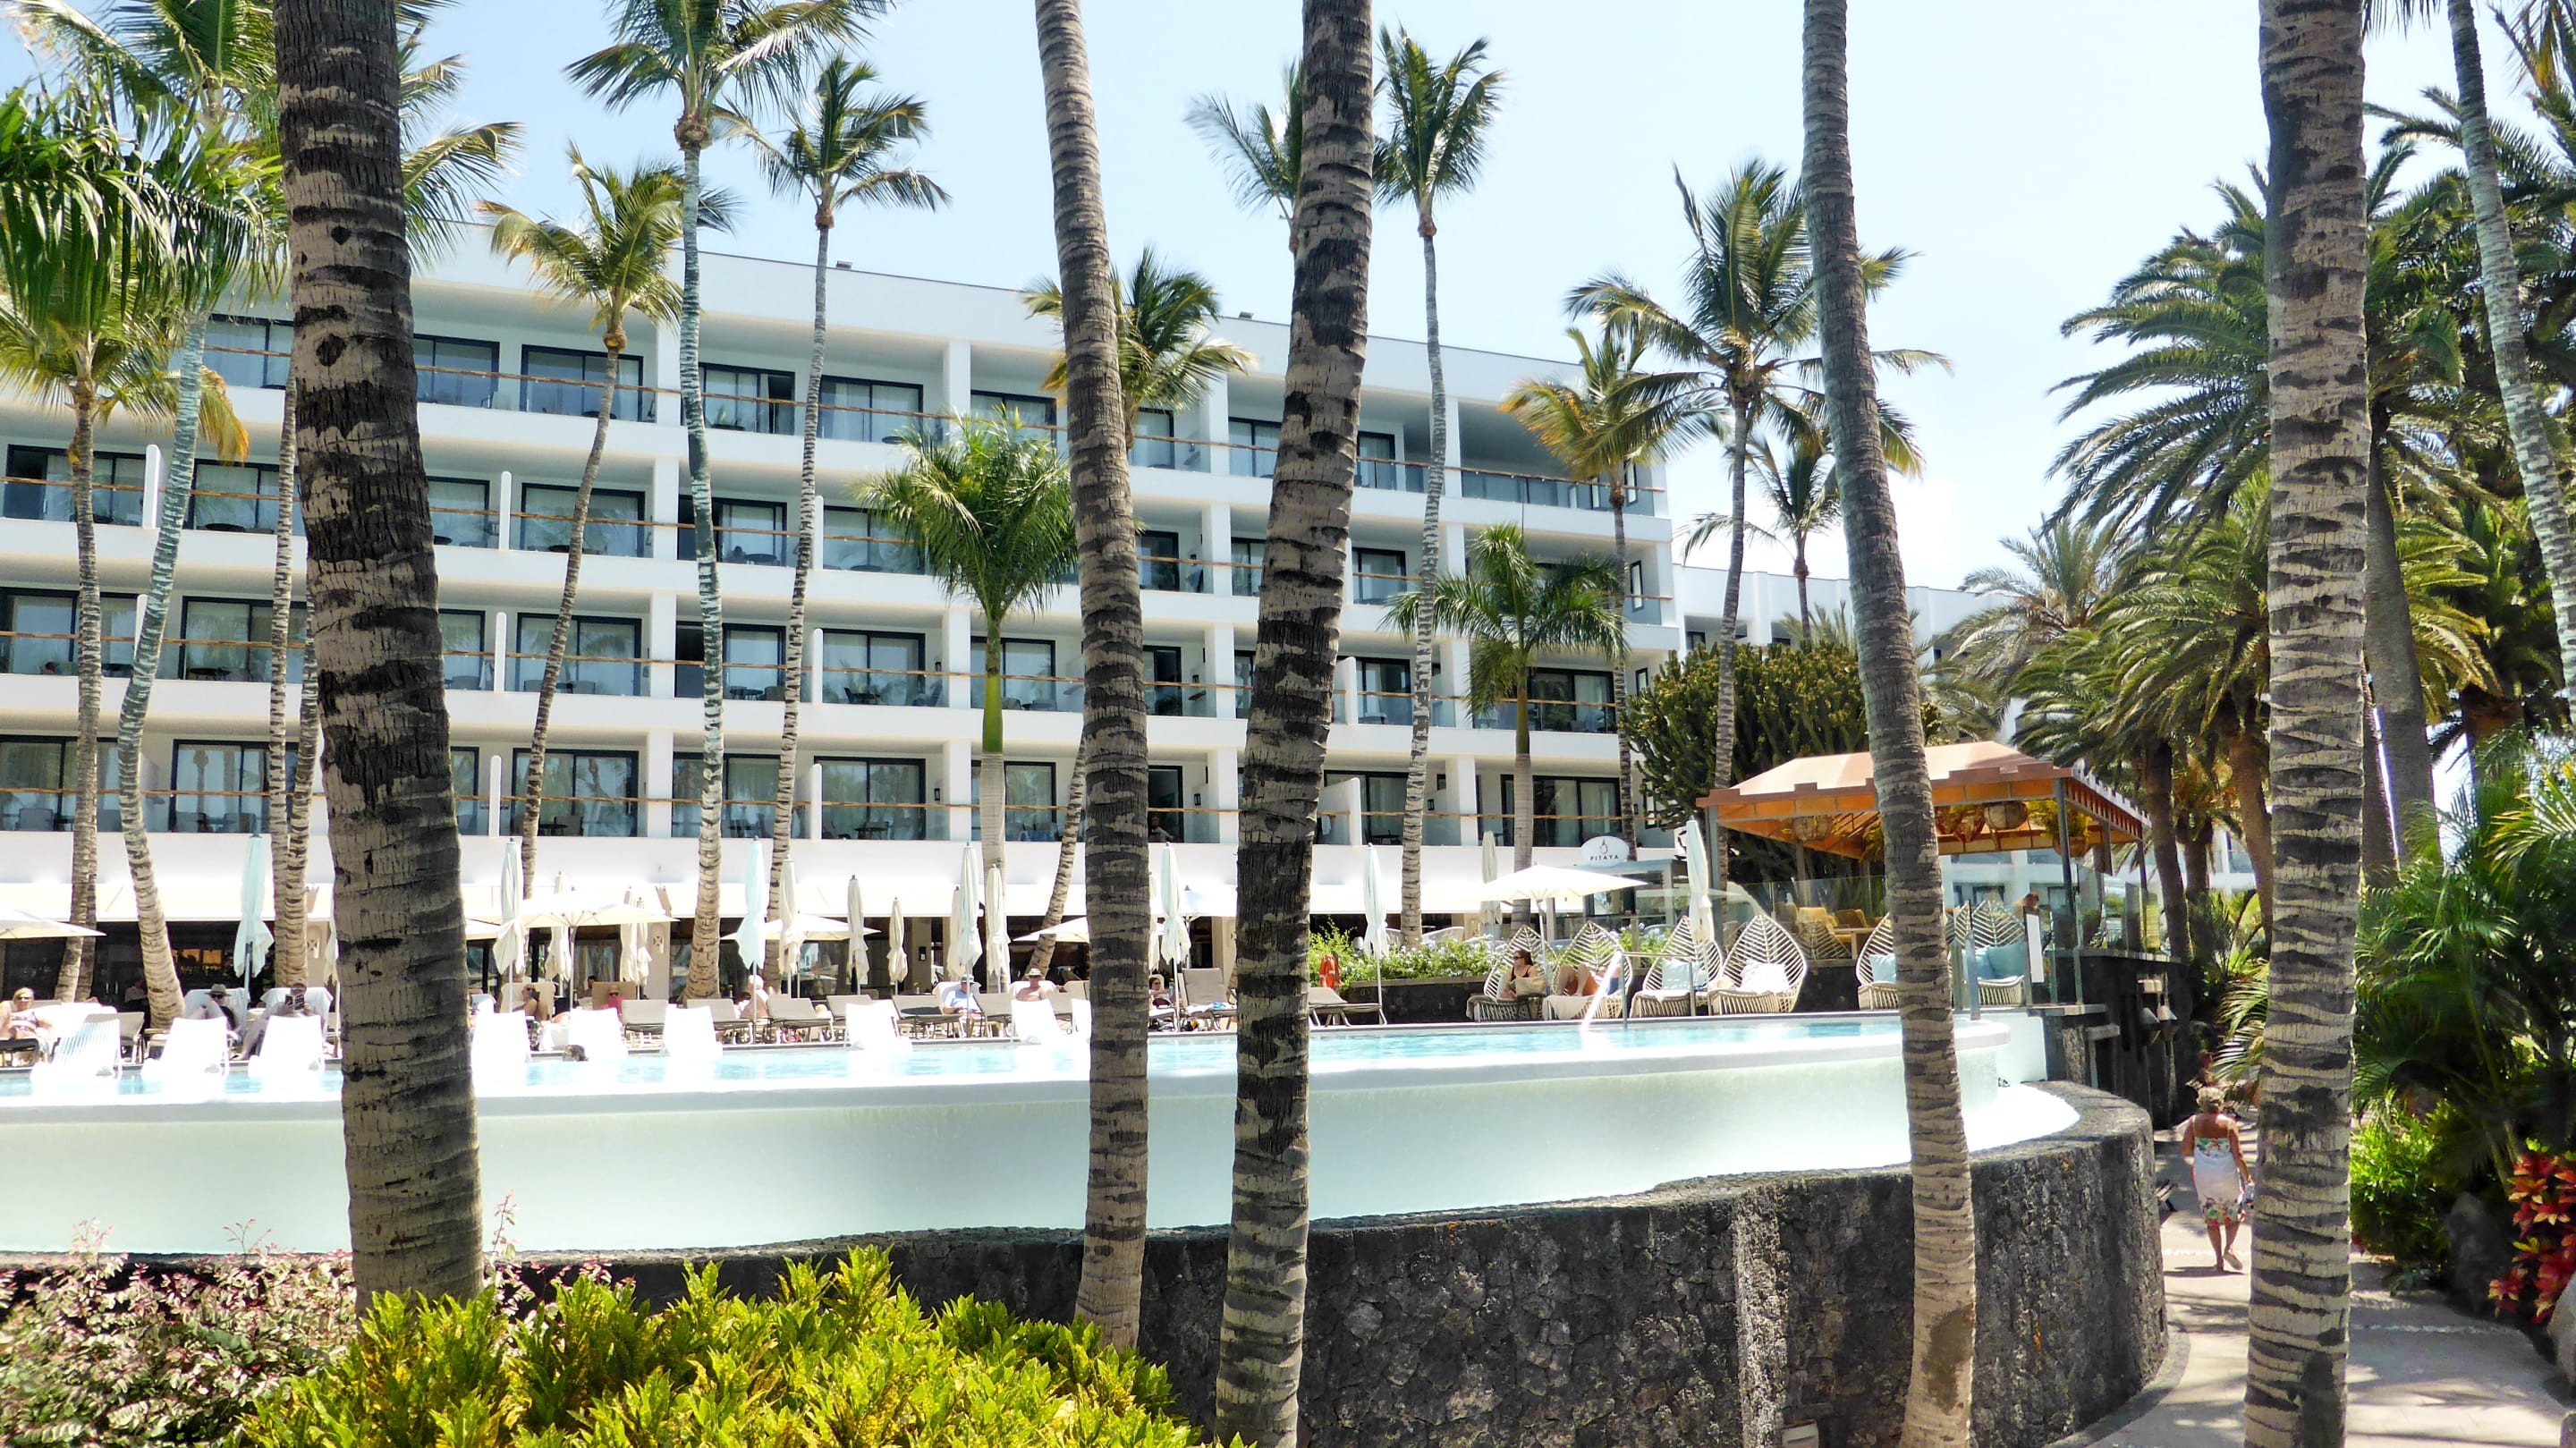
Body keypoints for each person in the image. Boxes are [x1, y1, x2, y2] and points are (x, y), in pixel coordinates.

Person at [2179, 1085, 2251, 1272]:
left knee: (2211, 1216)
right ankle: (2230, 1248)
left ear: (2201, 1103)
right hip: (2226, 1173)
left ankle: (2219, 1260)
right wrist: (2248, 1178)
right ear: (2220, 1103)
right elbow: (2239, 1155)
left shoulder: (2194, 1123)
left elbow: (2186, 1150)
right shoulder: (2228, 1124)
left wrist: (2202, 1151)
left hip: (2204, 1174)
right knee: (2234, 1211)